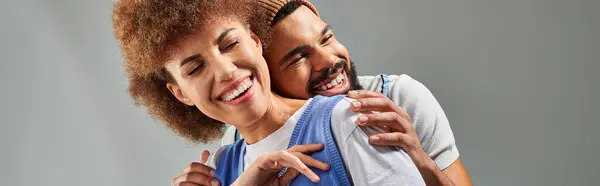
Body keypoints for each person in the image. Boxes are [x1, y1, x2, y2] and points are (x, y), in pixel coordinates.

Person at [112, 0, 426, 185]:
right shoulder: (221, 170)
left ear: (256, 41)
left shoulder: (346, 123)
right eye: (195, 69)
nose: (225, 71)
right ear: (181, 94)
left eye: (230, 44)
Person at [174, 0, 473, 185]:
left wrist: (420, 162)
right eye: (297, 58)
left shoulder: (390, 100)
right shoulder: (233, 151)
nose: (329, 61)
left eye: (327, 38)